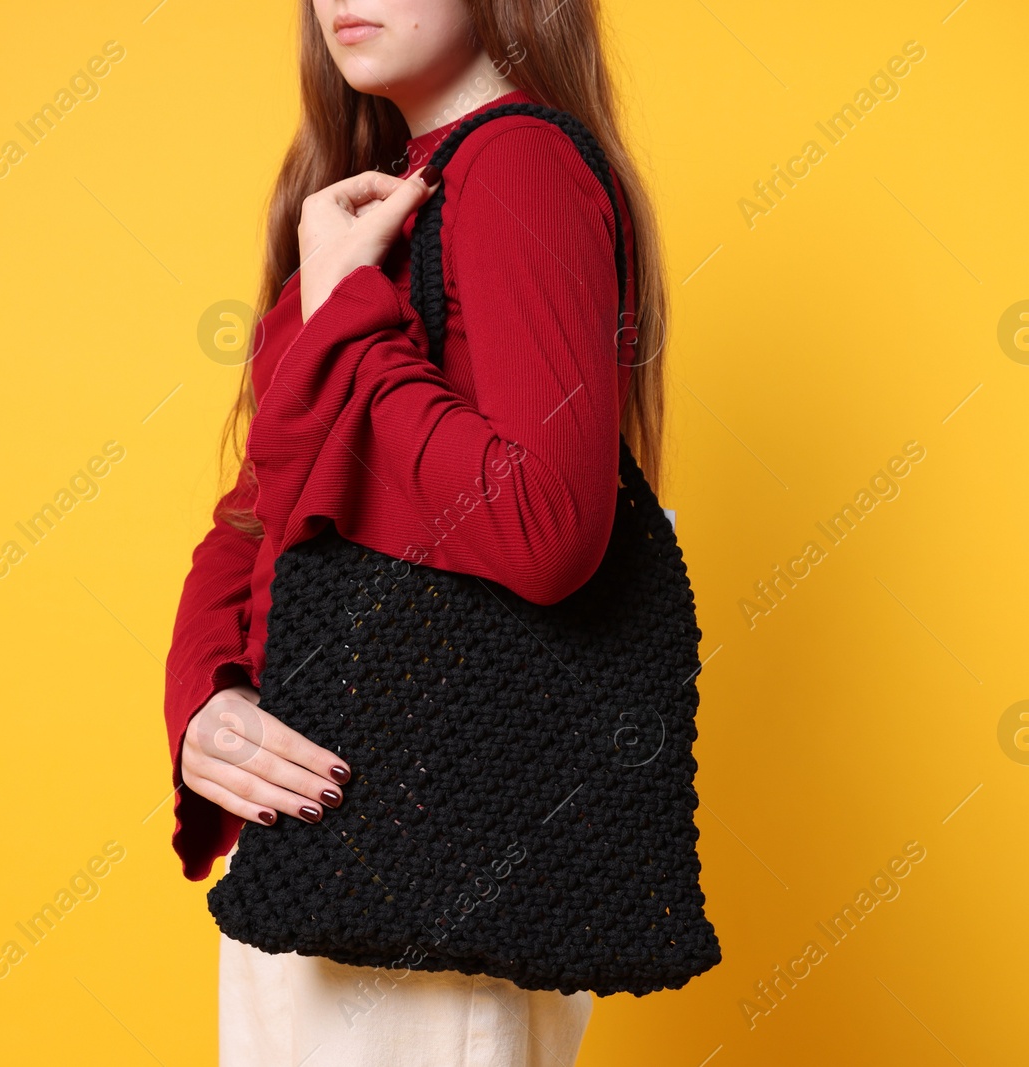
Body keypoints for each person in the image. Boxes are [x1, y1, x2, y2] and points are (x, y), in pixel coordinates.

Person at [163, 1, 673, 1062]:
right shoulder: (375, 193)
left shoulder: (518, 167)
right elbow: (266, 500)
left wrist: (346, 308)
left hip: (436, 872)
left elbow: (546, 527)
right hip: (313, 853)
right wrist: (204, 697)